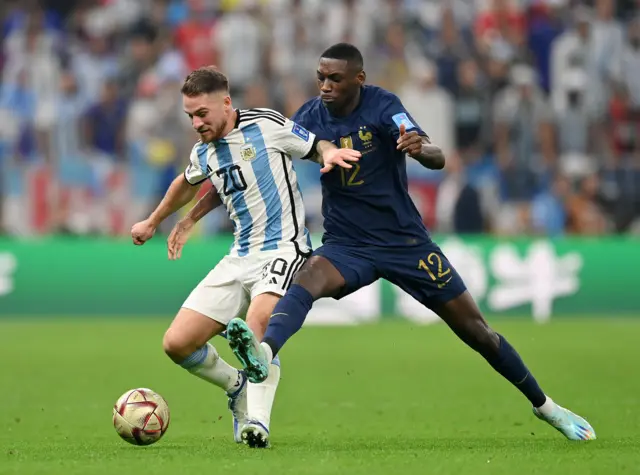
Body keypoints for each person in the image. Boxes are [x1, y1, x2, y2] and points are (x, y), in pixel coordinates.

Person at [222, 44, 595, 441]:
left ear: (358, 80)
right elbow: (267, 157)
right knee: (307, 278)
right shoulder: (310, 117)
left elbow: (435, 156)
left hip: (405, 243)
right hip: (347, 244)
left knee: (477, 332)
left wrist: (420, 149)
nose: (325, 87)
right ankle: (264, 354)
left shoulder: (384, 105)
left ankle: (546, 407)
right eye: (321, 78)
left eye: (335, 79)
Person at [129, 65, 360, 448]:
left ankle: (257, 422)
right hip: (239, 256)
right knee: (176, 344)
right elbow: (191, 183)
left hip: (285, 247)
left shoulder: (265, 124)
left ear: (226, 103)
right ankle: (237, 387)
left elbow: (313, 144)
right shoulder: (203, 150)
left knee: (258, 324)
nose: (196, 123)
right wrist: (157, 220)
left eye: (202, 114)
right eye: (190, 116)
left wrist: (330, 152)